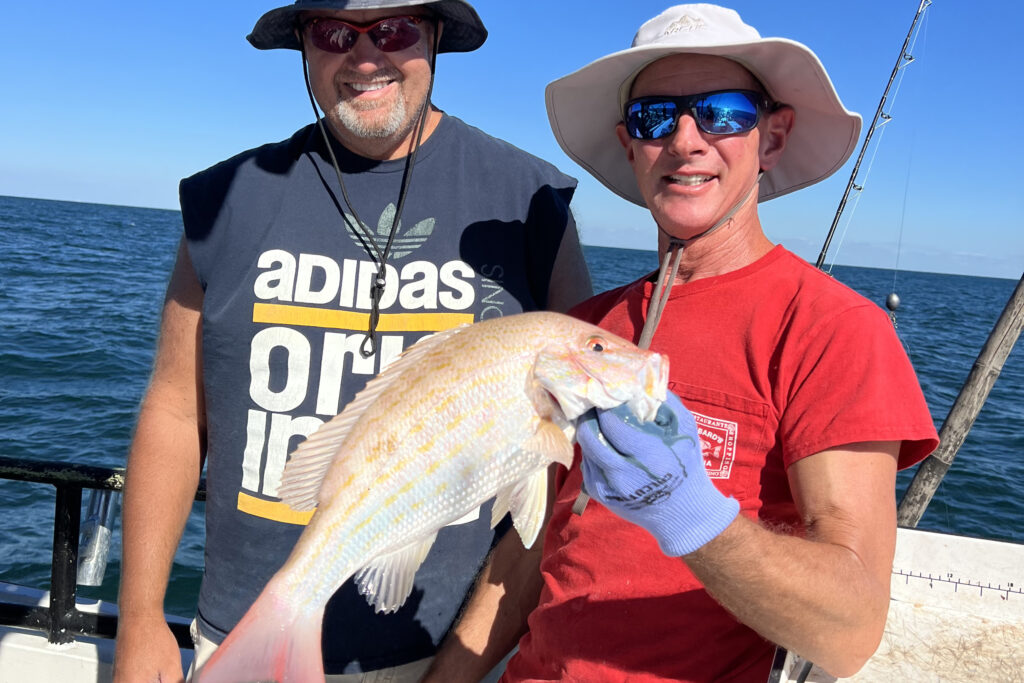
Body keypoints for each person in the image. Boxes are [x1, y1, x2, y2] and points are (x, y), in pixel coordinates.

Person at [425, 5, 939, 682]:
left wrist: (692, 514)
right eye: (656, 117)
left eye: (723, 113)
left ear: (773, 138)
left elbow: (851, 630)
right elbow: (533, 546)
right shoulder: (588, 329)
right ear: (629, 142)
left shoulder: (836, 330)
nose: (686, 140)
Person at [112, 1, 592, 681]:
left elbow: (569, 458)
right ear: (306, 47)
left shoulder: (532, 200)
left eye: (394, 30)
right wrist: (138, 617)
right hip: (245, 630)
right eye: (336, 32)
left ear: (434, 37)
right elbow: (173, 410)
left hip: (451, 647)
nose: (366, 58)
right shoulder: (226, 199)